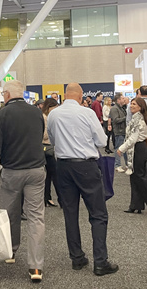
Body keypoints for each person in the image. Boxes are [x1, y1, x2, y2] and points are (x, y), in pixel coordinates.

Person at [47, 83, 118, 277]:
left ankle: (77, 258)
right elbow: (102, 141)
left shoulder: (54, 114)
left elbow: (52, 140)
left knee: (70, 213)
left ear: (64, 95)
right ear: (80, 96)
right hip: (86, 166)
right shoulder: (87, 113)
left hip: (63, 166)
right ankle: (100, 262)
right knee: (98, 214)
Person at [0, 80, 46, 283]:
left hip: (12, 171)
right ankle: (36, 266)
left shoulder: (2, 115)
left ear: (7, 95)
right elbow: (39, 136)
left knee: (10, 214)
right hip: (36, 170)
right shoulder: (36, 112)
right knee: (36, 217)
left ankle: (10, 250)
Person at [41, 98, 60, 208]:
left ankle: (47, 197)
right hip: (46, 148)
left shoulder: (48, 117)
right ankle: (61, 199)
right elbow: (44, 135)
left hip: (48, 148)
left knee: (48, 175)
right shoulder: (45, 118)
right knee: (55, 174)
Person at [110, 94, 128, 172]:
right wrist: (125, 118)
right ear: (118, 100)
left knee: (125, 148)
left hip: (124, 131)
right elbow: (116, 120)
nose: (124, 100)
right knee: (118, 148)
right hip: (119, 131)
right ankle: (117, 165)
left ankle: (127, 164)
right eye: (122, 98)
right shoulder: (114, 109)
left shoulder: (121, 108)